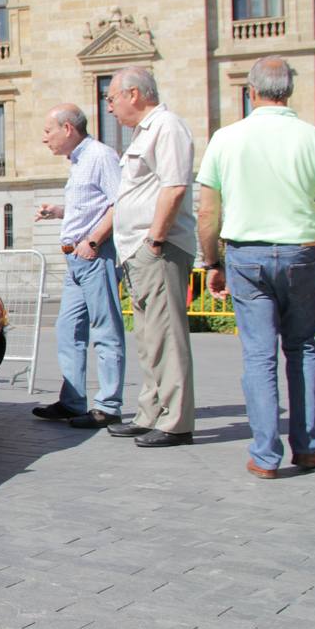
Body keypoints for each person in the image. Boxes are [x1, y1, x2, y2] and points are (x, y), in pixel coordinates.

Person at [196, 56, 315, 479]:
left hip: (246, 255)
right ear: (291, 90)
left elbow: (208, 211)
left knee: (259, 355)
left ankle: (265, 455)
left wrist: (212, 261)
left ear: (251, 91)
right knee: (302, 348)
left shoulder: (226, 139)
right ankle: (306, 447)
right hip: (302, 254)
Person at [103, 67, 197, 447]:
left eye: (111, 98)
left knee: (167, 337)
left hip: (158, 249)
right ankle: (150, 412)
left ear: (134, 94)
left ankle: (176, 422)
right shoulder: (145, 132)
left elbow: (174, 187)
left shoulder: (167, 126)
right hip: (139, 252)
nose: (108, 107)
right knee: (148, 338)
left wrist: (155, 240)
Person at [31, 103, 126, 428]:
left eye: (48, 131)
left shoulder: (100, 156)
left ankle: (109, 406)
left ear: (68, 129)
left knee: (105, 330)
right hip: (75, 259)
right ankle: (73, 401)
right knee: (67, 329)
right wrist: (58, 211)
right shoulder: (79, 161)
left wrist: (94, 241)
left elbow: (119, 203)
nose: (45, 139)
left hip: (94, 256)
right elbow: (90, 205)